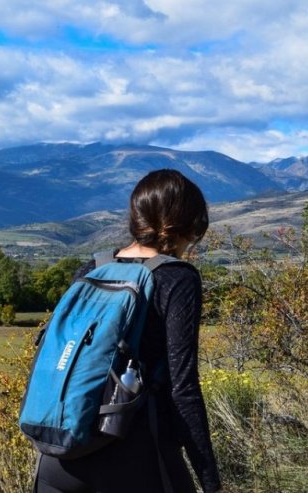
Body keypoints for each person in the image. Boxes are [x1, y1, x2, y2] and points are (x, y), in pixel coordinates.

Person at [35, 169, 222, 493]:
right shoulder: (178, 278)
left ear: (135, 218)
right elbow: (183, 389)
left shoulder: (92, 269)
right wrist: (210, 481)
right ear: (188, 224)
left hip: (59, 455)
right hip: (136, 455)